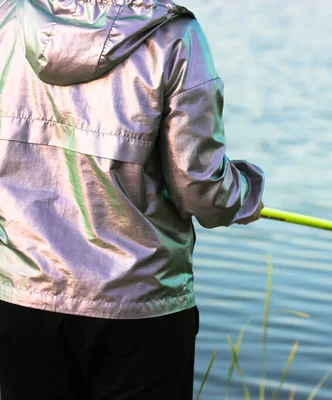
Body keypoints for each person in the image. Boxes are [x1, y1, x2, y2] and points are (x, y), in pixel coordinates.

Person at [0, 0, 264, 399]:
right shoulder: (176, 36)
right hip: (139, 306)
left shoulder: (7, 17)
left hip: (21, 297)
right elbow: (200, 189)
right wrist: (245, 193)